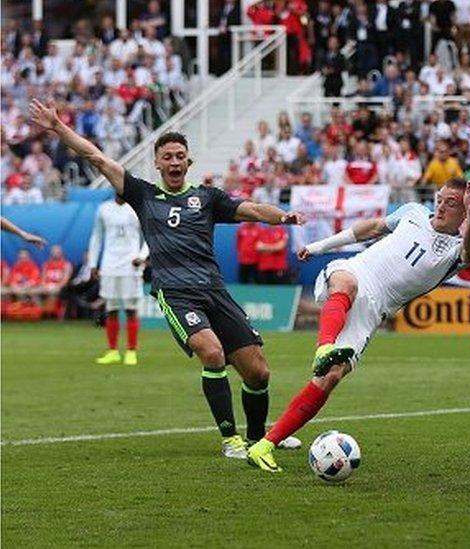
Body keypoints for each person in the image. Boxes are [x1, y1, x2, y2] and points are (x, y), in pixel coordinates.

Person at [28, 99, 304, 460]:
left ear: (189, 162)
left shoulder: (206, 198)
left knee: (258, 373)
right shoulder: (143, 195)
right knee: (212, 352)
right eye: (167, 156)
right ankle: (230, 440)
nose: (174, 162)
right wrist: (58, 127)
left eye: (180, 156)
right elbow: (98, 158)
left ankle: (260, 439)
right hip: (176, 293)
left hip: (214, 291)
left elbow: (249, 207)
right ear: (157, 162)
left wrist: (281, 217)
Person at [246, 178, 470, 472]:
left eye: (451, 203)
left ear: (464, 212)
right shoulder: (412, 212)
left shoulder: (455, 251)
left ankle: (265, 445)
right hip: (356, 271)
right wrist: (320, 246)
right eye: (440, 198)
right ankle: (325, 347)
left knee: (330, 377)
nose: (441, 206)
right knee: (346, 285)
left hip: (375, 309)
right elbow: (370, 228)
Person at [88, 194, 150, 365]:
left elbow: (149, 235)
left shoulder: (138, 207)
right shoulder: (104, 209)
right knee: (111, 308)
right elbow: (97, 236)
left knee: (131, 309)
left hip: (131, 265)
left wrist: (142, 256)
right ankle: (113, 350)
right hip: (109, 265)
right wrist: (93, 263)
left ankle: (131, 351)